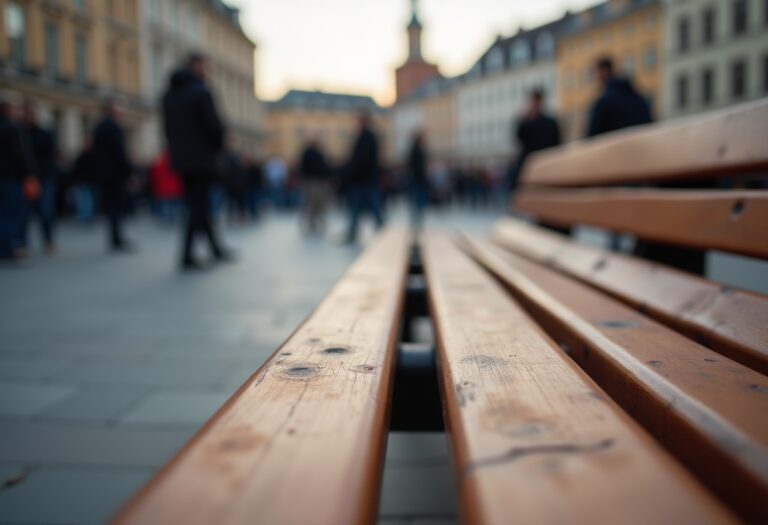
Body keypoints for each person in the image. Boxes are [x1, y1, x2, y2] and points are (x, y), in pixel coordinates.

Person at [163, 52, 232, 271]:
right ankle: (187, 256)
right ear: (197, 66)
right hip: (202, 159)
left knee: (196, 205)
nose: (208, 71)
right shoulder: (201, 92)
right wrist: (219, 149)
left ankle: (214, 248)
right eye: (205, 66)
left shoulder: (169, 95)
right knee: (198, 208)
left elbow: (167, 130)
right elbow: (214, 126)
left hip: (182, 159)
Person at [92, 99, 134, 252]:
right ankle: (117, 239)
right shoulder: (112, 127)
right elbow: (119, 152)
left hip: (106, 173)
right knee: (117, 207)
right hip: (115, 174)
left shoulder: (100, 127)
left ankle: (116, 237)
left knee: (112, 207)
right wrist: (128, 171)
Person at [0, 94, 35, 262]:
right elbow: (20, 155)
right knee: (12, 214)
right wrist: (29, 174)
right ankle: (8, 249)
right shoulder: (12, 128)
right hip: (11, 178)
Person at [21, 101, 59, 253]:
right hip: (26, 178)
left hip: (43, 177)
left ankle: (48, 240)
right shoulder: (20, 132)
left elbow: (50, 156)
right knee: (24, 212)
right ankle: (22, 242)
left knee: (46, 211)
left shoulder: (43, 133)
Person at [343, 111, 384, 244]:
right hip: (365, 178)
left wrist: (352, 172)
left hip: (363, 178)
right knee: (368, 205)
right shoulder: (368, 135)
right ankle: (379, 228)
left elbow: (362, 159)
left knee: (361, 206)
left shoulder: (366, 136)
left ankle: (378, 229)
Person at [510, 89, 561, 194]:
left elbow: (557, 145)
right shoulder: (527, 121)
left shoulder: (549, 122)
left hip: (542, 164)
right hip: (534, 165)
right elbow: (519, 138)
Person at [587, 57, 652, 138]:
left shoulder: (604, 102)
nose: (597, 78)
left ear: (604, 71)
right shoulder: (638, 97)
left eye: (597, 73)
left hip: (616, 148)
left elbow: (593, 136)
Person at [299, 135, 332, 235]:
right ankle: (312, 224)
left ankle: (318, 223)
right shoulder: (308, 153)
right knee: (312, 204)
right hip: (312, 182)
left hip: (320, 182)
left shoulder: (319, 153)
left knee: (319, 204)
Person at [407, 131, 429, 229]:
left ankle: (416, 222)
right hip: (418, 181)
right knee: (418, 203)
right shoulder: (418, 151)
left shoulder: (414, 150)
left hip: (415, 180)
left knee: (416, 203)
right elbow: (419, 168)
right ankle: (417, 222)